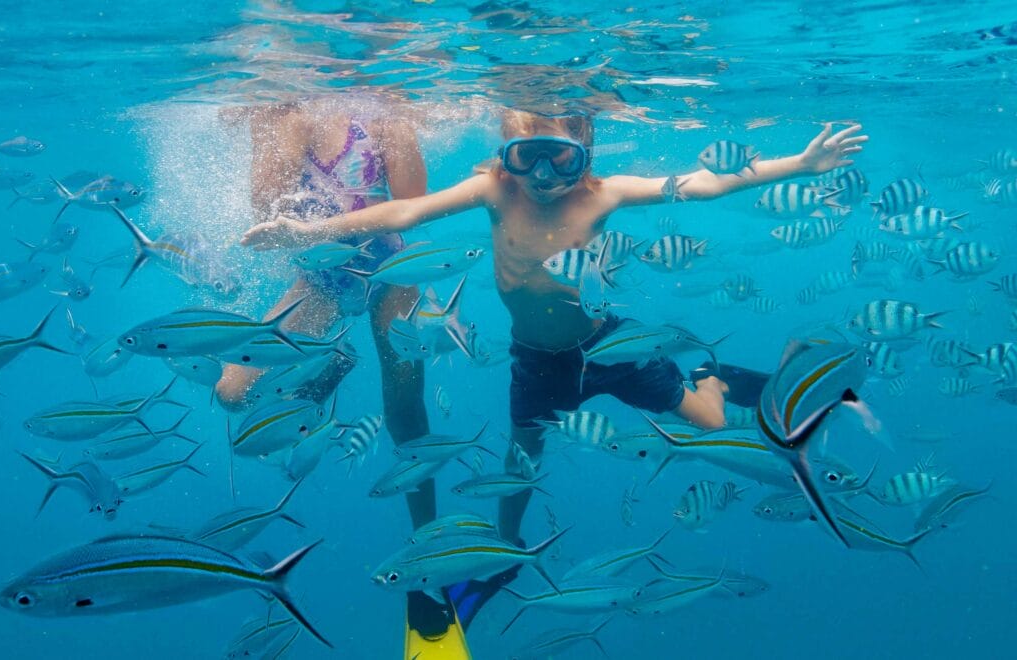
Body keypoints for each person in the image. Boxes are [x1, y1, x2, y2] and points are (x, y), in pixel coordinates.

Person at [241, 108, 867, 619]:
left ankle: (714, 377)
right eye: (525, 156)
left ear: (586, 151)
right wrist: (303, 233)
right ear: (505, 155)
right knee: (520, 473)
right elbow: (404, 213)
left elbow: (701, 184)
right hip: (537, 362)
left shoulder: (606, 194)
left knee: (710, 426)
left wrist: (800, 164)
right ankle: (504, 554)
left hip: (611, 348)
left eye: (559, 157)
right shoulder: (493, 189)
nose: (541, 173)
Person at [216, 99, 436, 530]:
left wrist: (400, 122)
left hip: (389, 266)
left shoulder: (379, 113)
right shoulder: (285, 114)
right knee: (233, 391)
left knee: (405, 409)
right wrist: (270, 123)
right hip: (324, 278)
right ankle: (330, 362)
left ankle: (427, 534)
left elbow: (414, 203)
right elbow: (264, 209)